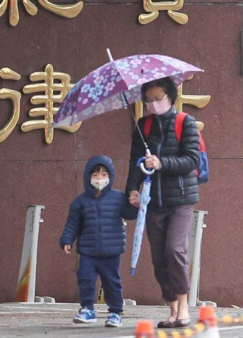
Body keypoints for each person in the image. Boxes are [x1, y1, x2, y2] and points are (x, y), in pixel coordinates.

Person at [127, 77, 200, 329]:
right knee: (159, 257)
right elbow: (135, 163)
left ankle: (183, 306)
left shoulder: (185, 122)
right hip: (152, 201)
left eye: (159, 99)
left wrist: (162, 163)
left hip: (180, 199)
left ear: (171, 97)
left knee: (174, 249)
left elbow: (191, 160)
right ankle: (171, 309)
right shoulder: (143, 126)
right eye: (149, 100)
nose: (154, 104)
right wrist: (131, 190)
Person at [60, 155, 137, 327]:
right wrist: (67, 240)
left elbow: (130, 214)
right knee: (85, 279)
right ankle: (87, 309)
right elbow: (73, 224)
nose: (100, 179)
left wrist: (137, 205)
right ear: (88, 177)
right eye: (95, 175)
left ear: (110, 177)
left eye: (104, 175)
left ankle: (116, 312)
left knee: (112, 282)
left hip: (111, 251)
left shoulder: (118, 198)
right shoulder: (80, 202)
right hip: (88, 251)